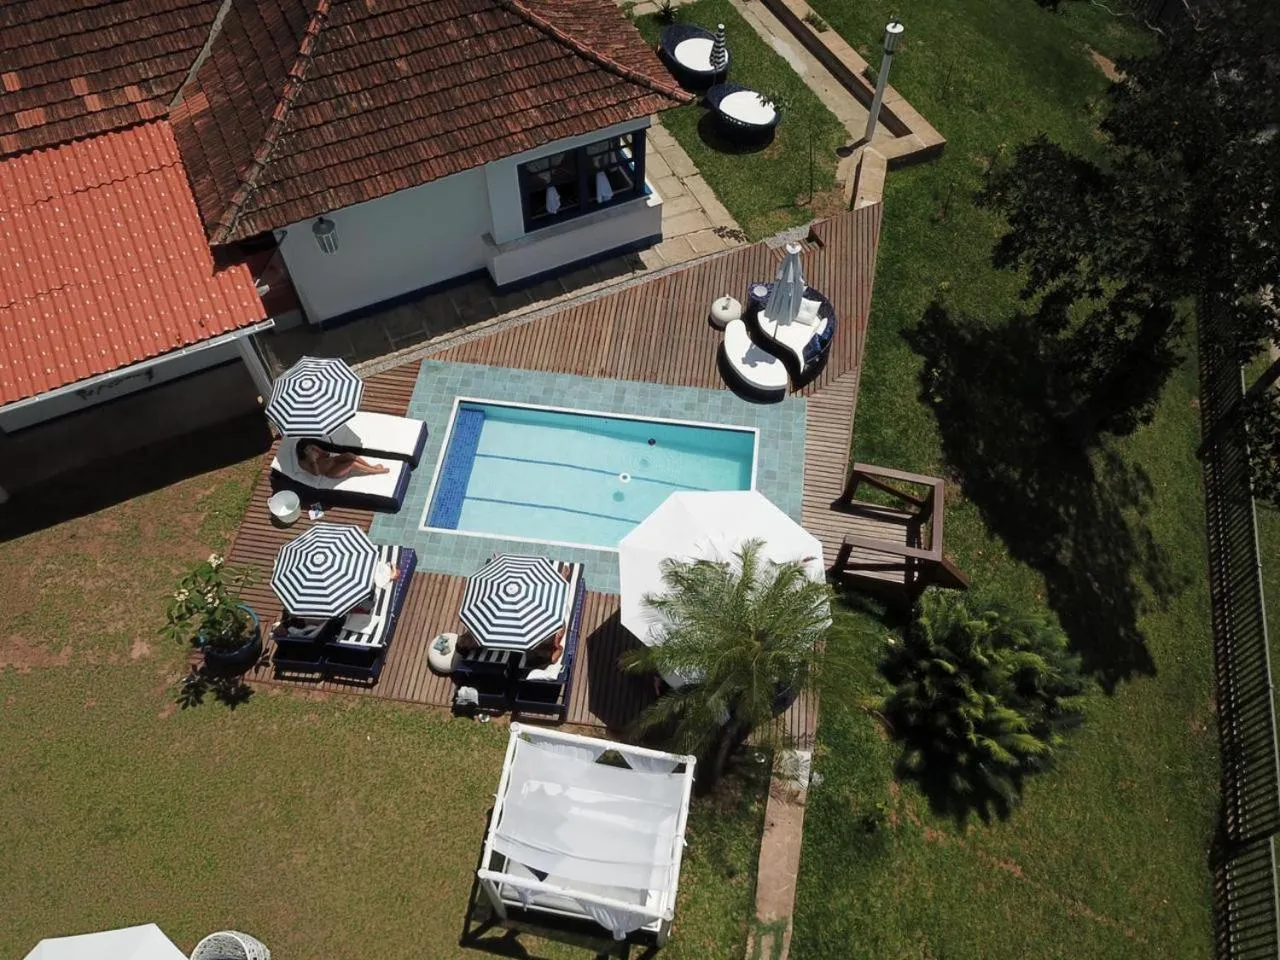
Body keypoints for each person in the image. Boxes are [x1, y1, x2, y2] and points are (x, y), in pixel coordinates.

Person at [296, 440, 388, 478]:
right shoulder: (302, 463)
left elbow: (326, 455)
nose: (310, 450)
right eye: (307, 450)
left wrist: (317, 449)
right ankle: (375, 472)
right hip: (331, 471)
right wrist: (313, 461)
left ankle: (372, 467)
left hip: (334, 460)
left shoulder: (312, 449)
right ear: (303, 453)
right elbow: (316, 473)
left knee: (350, 455)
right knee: (352, 463)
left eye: (309, 448)